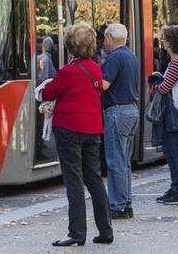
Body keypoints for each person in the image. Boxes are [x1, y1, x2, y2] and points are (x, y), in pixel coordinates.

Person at [39, 23, 113, 247]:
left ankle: (76, 232)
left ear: (71, 47)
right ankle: (106, 229)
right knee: (94, 179)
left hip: (69, 130)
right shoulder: (96, 68)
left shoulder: (68, 71)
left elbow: (49, 92)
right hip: (92, 130)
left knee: (74, 180)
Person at [99, 24, 140, 220]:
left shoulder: (114, 58)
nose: (103, 41)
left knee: (115, 161)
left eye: (104, 37)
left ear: (109, 37)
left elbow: (104, 85)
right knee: (124, 161)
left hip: (117, 112)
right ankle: (127, 204)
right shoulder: (131, 56)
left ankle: (118, 206)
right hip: (131, 110)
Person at [153, 25, 178, 204]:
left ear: (170, 42)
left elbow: (166, 86)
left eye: (164, 39)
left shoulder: (177, 61)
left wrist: (156, 85)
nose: (161, 42)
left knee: (173, 149)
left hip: (174, 109)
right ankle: (176, 186)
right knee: (170, 148)